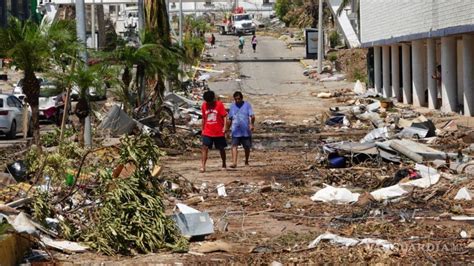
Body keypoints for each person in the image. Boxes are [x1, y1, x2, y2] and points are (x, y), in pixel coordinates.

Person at [201, 90, 228, 172]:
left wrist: (225, 127)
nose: (208, 103)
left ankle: (224, 163)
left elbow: (225, 116)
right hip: (208, 131)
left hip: (218, 131)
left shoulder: (219, 105)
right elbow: (203, 118)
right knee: (204, 147)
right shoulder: (204, 105)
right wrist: (202, 129)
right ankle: (203, 166)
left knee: (221, 148)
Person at [227, 91, 255, 168]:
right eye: (236, 99)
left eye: (238, 99)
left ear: (241, 98)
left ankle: (246, 160)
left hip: (245, 130)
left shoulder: (247, 105)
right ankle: (234, 162)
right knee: (234, 146)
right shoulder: (232, 106)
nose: (237, 101)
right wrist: (227, 129)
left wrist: (251, 124)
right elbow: (230, 119)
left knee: (247, 147)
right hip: (235, 130)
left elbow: (252, 116)